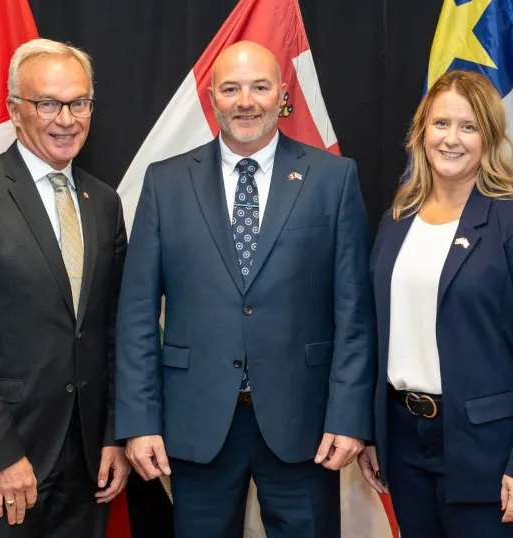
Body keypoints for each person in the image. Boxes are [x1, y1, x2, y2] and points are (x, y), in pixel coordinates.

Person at [114, 41, 376, 538]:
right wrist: (139, 421)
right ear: (212, 97)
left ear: (282, 93)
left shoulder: (333, 179)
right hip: (195, 422)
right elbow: (137, 315)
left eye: (259, 87)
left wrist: (349, 415)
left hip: (306, 423)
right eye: (231, 89)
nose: (246, 101)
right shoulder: (165, 182)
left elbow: (354, 313)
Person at [0, 38, 129, 537]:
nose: (67, 118)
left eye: (79, 102)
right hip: (6, 458)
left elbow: (114, 329)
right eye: (48, 103)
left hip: (87, 460)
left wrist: (114, 434)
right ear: (16, 111)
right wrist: (0, 455)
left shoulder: (103, 202)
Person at [356, 69, 513, 538]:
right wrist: (374, 433)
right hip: (407, 446)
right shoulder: (396, 221)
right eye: (441, 124)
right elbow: (378, 330)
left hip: (491, 455)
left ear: (489, 138)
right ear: (421, 131)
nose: (452, 139)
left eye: (468, 127)